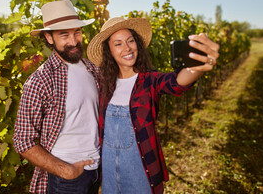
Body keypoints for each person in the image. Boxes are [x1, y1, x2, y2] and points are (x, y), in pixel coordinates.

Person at [87, 17, 220, 194]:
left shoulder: (150, 80)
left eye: (130, 41)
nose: (127, 48)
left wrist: (198, 65)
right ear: (109, 51)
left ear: (137, 44)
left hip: (140, 172)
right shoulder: (104, 84)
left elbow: (176, 82)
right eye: (118, 44)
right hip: (109, 173)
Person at [13, 0, 101, 194]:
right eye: (64, 35)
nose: (73, 40)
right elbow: (23, 140)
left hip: (95, 170)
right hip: (65, 180)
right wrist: (67, 171)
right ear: (49, 38)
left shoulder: (93, 70)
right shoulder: (40, 81)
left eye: (76, 32)